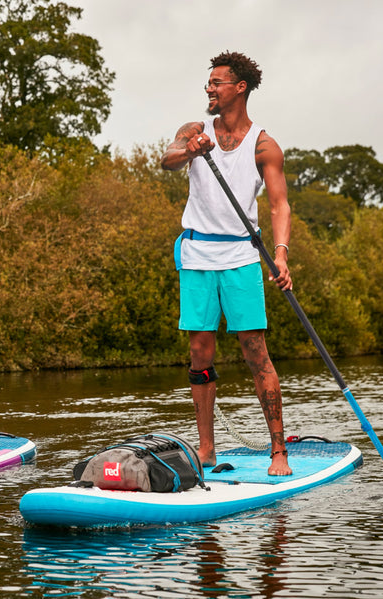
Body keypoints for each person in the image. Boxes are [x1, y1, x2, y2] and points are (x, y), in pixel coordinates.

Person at [161, 51, 293, 476]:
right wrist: (191, 151)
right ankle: (206, 451)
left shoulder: (265, 145)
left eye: (216, 83)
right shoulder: (195, 130)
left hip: (240, 255)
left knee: (255, 352)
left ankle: (278, 452)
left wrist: (281, 253)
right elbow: (168, 159)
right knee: (199, 352)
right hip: (197, 255)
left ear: (239, 88)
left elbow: (279, 205)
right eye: (208, 83)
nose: (209, 89)